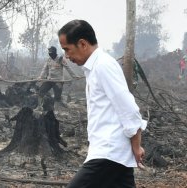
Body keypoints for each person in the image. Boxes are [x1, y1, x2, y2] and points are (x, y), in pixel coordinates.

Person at [58, 20, 147, 188]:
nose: (66, 56)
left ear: (82, 44)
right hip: (113, 153)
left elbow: (128, 108)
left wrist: (136, 145)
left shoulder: (103, 66)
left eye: (67, 49)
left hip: (109, 152)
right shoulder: (94, 68)